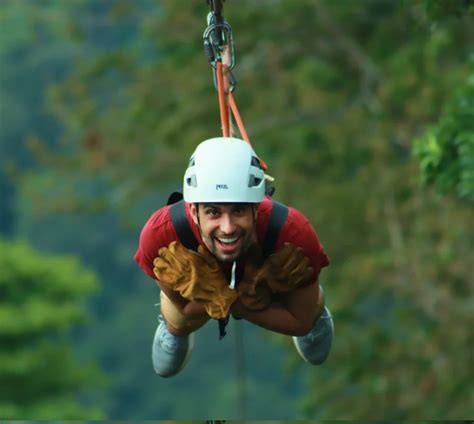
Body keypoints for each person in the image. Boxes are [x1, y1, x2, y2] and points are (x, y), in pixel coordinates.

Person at [134, 137, 333, 378]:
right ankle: (172, 330)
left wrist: (239, 302)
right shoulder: (161, 237)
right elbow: (184, 308)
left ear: (257, 208)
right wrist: (221, 297)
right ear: (194, 211)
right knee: (179, 320)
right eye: (213, 212)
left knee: (306, 318)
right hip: (194, 269)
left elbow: (300, 322)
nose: (227, 227)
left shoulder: (293, 234)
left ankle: (315, 306)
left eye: (238, 210)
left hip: (268, 259)